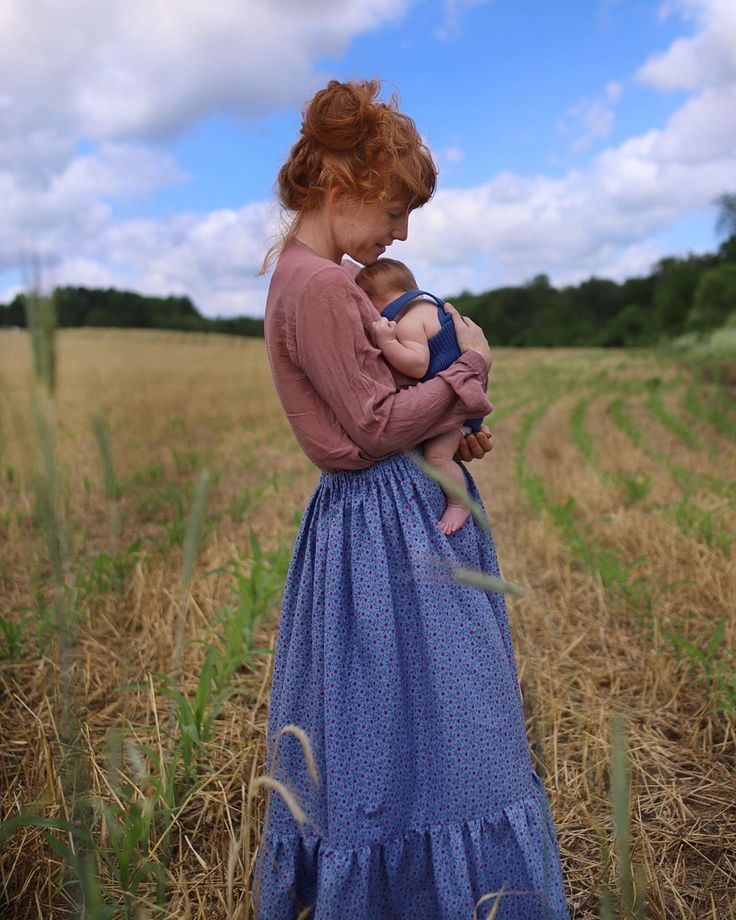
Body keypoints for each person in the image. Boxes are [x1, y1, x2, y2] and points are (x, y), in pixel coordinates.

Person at [255, 78, 569, 919]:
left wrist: (442, 427)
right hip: (387, 525)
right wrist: (468, 371)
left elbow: (375, 419)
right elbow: (369, 422)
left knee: (389, 730)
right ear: (340, 185)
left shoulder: (307, 277)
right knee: (457, 726)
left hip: (373, 513)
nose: (399, 232)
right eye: (394, 209)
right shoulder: (320, 287)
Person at [355, 257, 485, 535]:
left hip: (455, 408)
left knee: (437, 457)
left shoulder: (407, 323)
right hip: (464, 399)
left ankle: (459, 503)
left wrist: (388, 342)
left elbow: (417, 364)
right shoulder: (433, 308)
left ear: (377, 304)